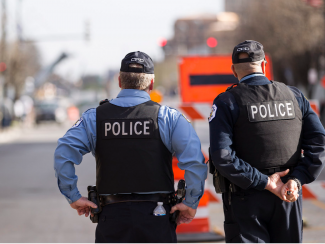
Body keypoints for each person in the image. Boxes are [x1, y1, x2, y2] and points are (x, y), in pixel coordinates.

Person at [54, 51, 207, 244]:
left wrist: (73, 196)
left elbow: (63, 152)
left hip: (112, 219)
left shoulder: (95, 117)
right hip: (157, 217)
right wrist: (190, 202)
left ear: (119, 81)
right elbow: (195, 161)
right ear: (151, 84)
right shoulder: (169, 118)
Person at [209, 40, 325, 244]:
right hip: (288, 196)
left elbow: (222, 156)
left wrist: (265, 183)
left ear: (233, 71)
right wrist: (296, 180)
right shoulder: (294, 96)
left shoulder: (227, 102)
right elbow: (319, 143)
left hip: (246, 200)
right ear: (264, 65)